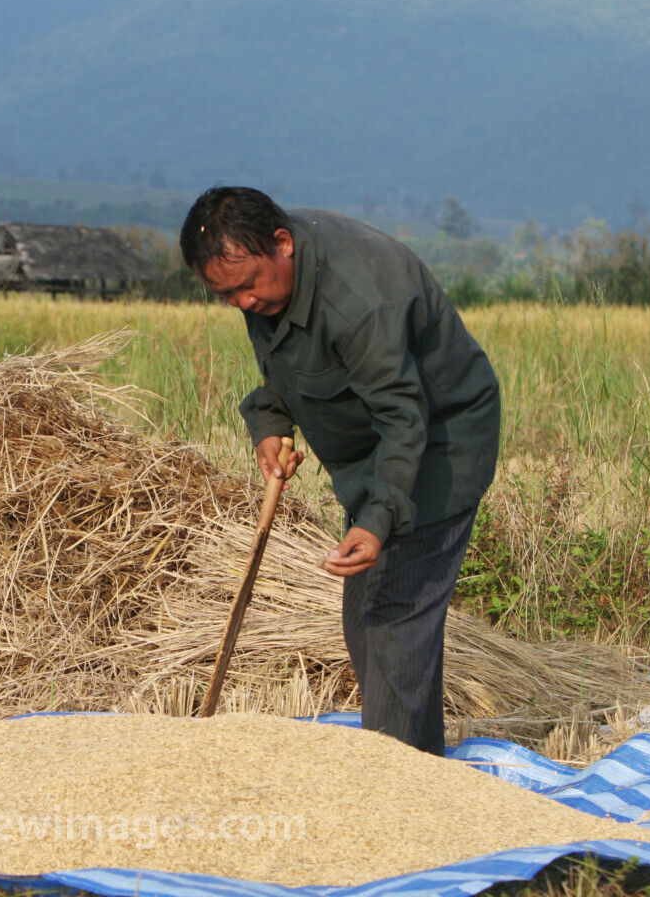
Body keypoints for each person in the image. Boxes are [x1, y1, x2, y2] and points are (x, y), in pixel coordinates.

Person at [180, 186, 501, 755]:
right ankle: (411, 763)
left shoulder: (359, 301)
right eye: (224, 295)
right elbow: (281, 366)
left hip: (437, 441)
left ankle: (395, 786)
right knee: (366, 617)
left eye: (247, 286)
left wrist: (377, 521)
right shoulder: (266, 276)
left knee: (393, 619)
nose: (242, 304)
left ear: (282, 244)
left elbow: (405, 420)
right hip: (376, 445)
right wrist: (271, 423)